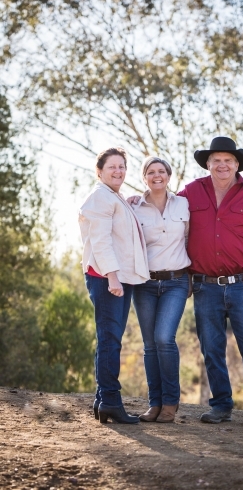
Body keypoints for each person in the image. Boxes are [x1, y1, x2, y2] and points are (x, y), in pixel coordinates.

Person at [178, 136, 243, 429]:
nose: (222, 165)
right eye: (216, 160)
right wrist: (140, 198)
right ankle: (221, 406)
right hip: (205, 286)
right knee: (212, 348)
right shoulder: (190, 193)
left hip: (242, 285)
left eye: (228, 160)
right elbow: (166, 216)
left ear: (236, 164)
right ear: (208, 163)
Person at [79, 147, 149, 424]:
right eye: (112, 167)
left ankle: (103, 400)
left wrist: (129, 203)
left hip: (116, 277)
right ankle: (109, 400)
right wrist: (112, 277)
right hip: (107, 278)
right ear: (100, 171)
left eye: (122, 166)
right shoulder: (100, 197)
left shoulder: (112, 197)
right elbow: (101, 241)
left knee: (110, 339)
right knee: (110, 340)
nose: (118, 171)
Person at [131, 157, 191, 423]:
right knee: (149, 345)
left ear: (168, 175)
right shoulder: (134, 207)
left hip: (176, 281)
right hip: (144, 283)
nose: (157, 176)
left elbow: (190, 239)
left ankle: (170, 403)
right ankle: (154, 404)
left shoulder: (183, 204)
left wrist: (193, 278)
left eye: (161, 171)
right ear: (144, 177)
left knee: (164, 338)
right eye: (151, 172)